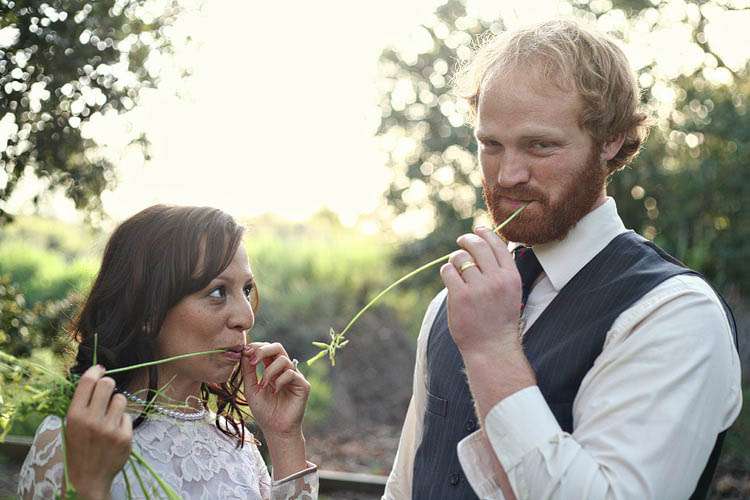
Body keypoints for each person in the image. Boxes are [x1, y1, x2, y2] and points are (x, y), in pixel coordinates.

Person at [384, 19, 742, 500]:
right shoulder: (454, 305)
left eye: (540, 145)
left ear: (610, 139)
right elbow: (404, 488)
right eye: (491, 144)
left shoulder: (675, 313)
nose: (508, 175)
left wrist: (492, 350)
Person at [18, 205, 319, 499]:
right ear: (148, 310)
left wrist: (285, 438)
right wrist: (89, 487)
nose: (246, 317)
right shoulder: (73, 439)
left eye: (247, 290)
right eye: (217, 292)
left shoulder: (237, 444)